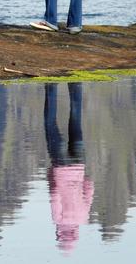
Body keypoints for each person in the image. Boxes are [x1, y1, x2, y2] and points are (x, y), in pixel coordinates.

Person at [44, 82, 93, 253]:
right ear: (60, 234)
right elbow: (55, 193)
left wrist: (81, 175)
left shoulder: (84, 218)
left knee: (76, 119)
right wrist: (51, 174)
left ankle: (76, 84)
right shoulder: (58, 218)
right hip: (61, 165)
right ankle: (51, 86)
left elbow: (89, 188)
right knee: (50, 124)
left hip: (79, 163)